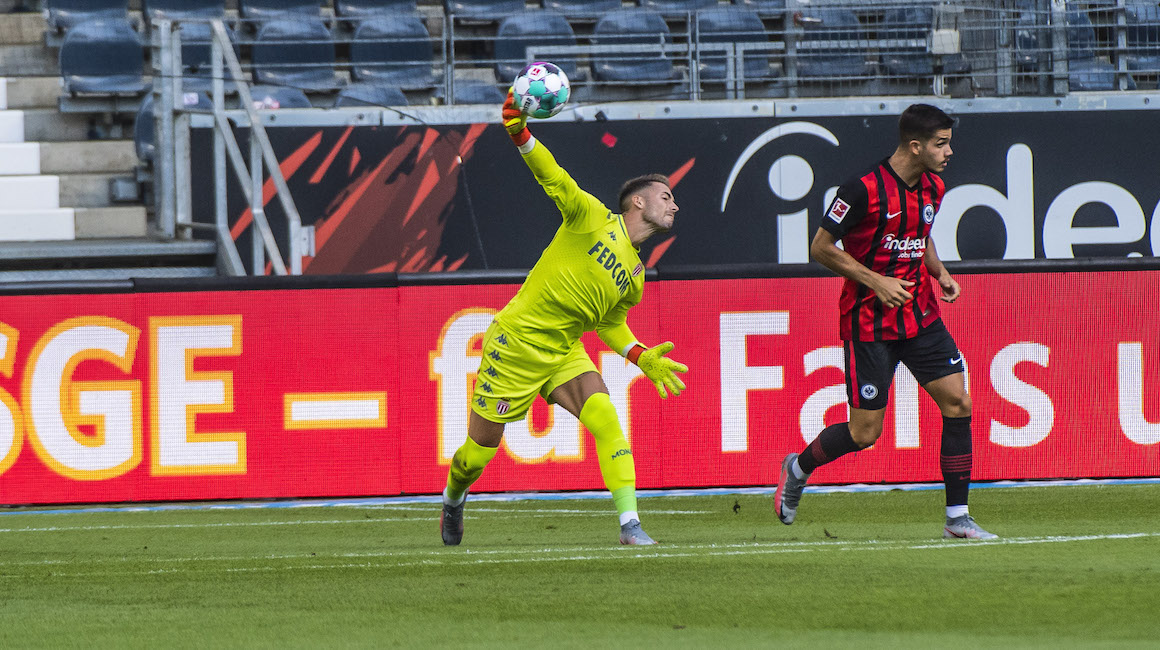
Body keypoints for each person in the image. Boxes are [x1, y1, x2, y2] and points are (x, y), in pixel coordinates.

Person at [439, 90, 689, 546]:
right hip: (516, 343)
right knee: (477, 455)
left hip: (563, 351)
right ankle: (454, 498)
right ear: (637, 202)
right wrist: (521, 134)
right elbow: (553, 177)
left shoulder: (635, 276)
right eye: (666, 197)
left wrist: (640, 355)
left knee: (607, 419)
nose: (675, 206)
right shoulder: (592, 217)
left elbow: (608, 324)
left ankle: (630, 526)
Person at [774, 104, 997, 540]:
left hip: (920, 315)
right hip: (869, 324)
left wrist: (939, 272)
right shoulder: (860, 190)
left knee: (958, 403)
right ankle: (798, 467)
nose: (949, 152)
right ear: (915, 146)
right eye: (940, 144)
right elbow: (820, 247)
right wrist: (876, 281)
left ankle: (957, 518)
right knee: (864, 433)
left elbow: (919, 234)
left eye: (948, 142)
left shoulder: (934, 186)